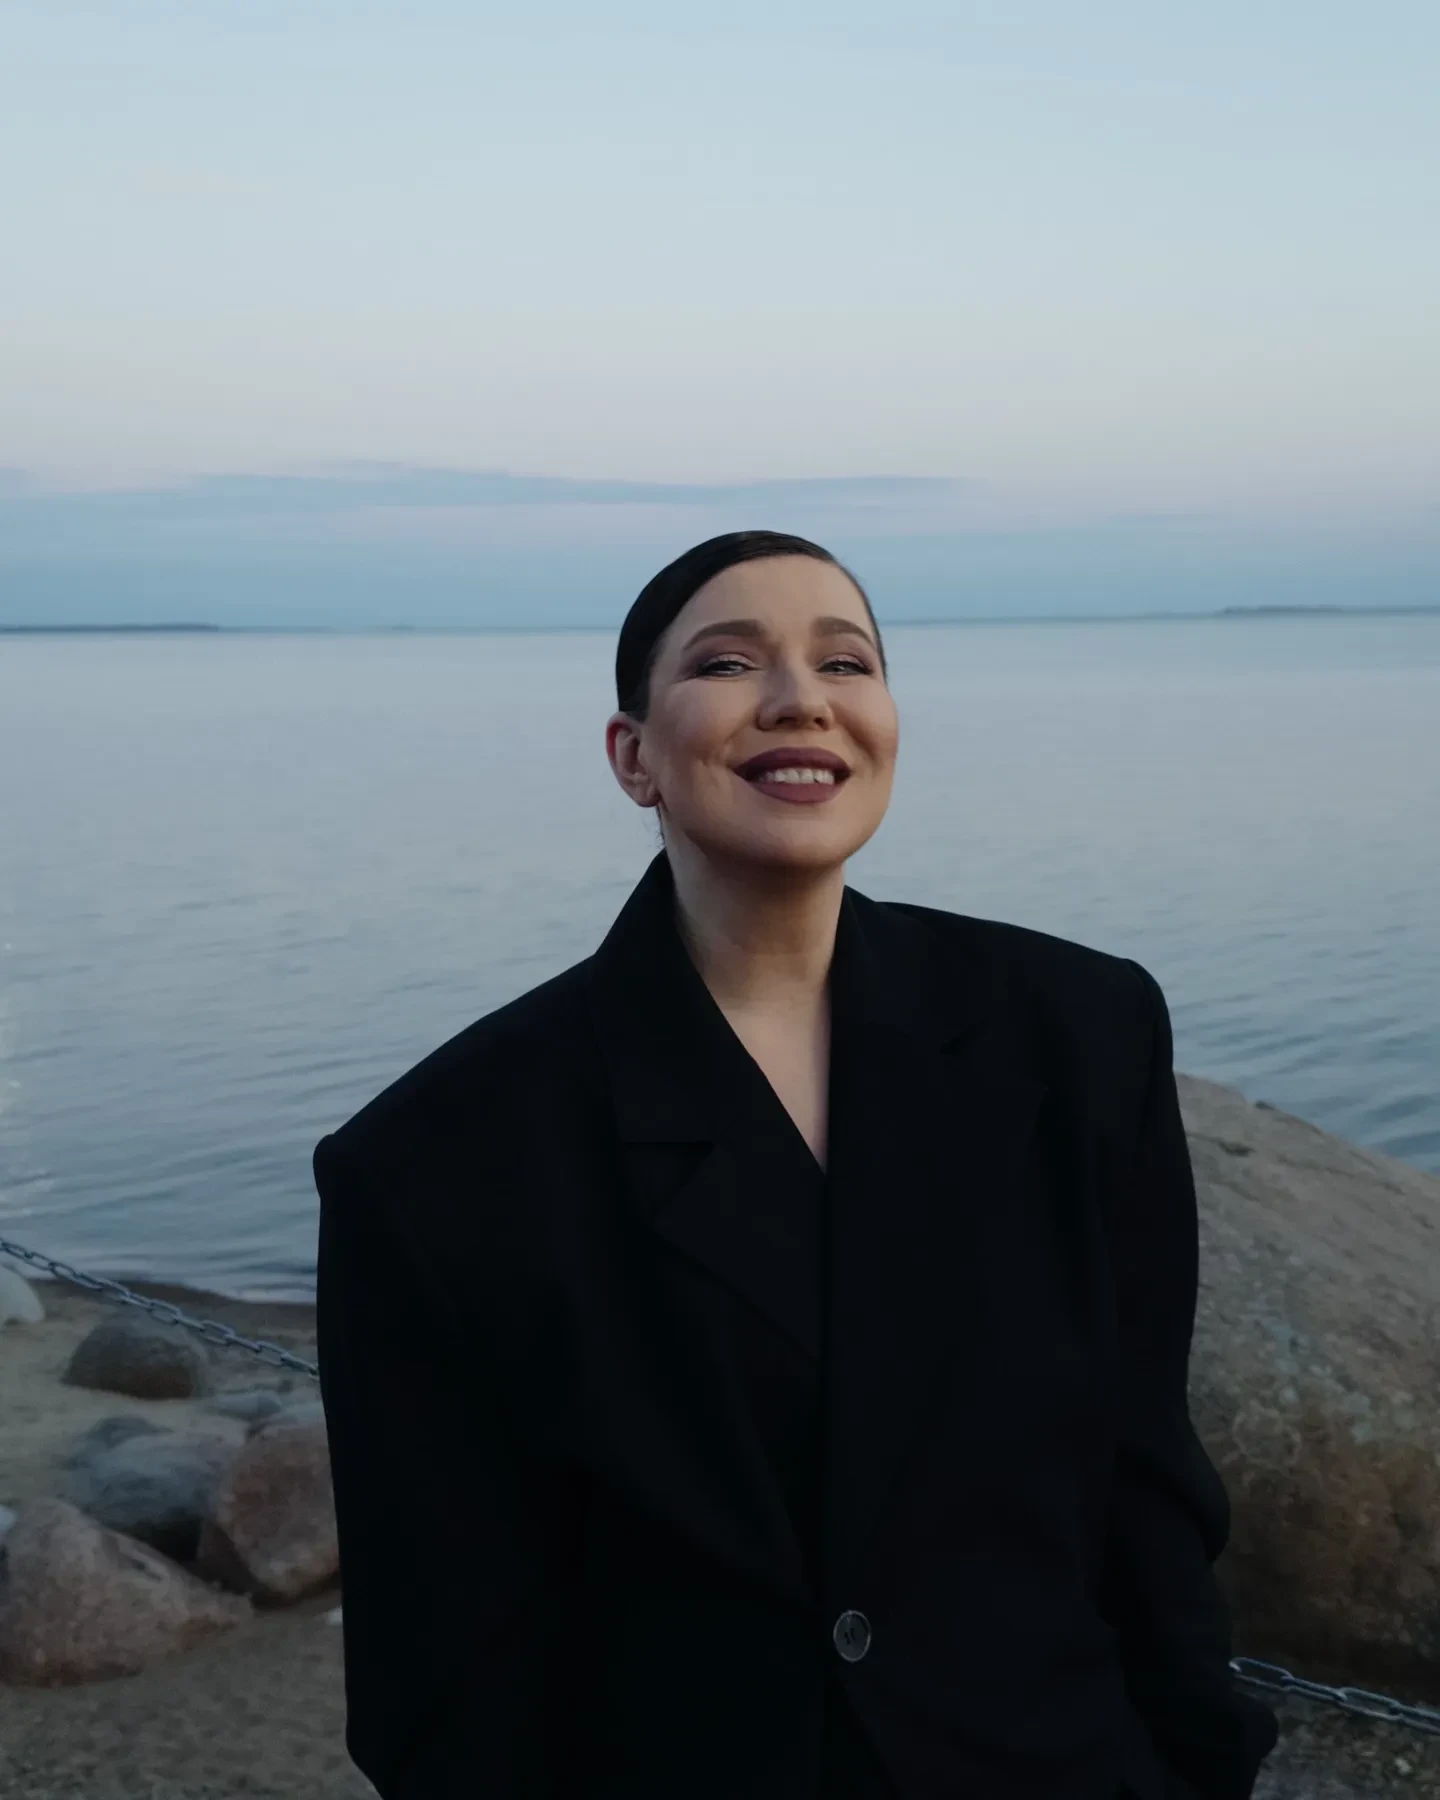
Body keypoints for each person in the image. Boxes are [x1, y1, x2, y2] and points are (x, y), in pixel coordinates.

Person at [312, 530, 1280, 1799]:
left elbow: (1147, 1487)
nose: (799, 698)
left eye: (845, 661)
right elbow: (439, 1671)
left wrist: (1198, 1770)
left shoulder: (1082, 1033)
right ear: (633, 757)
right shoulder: (435, 1161)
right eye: (726, 663)